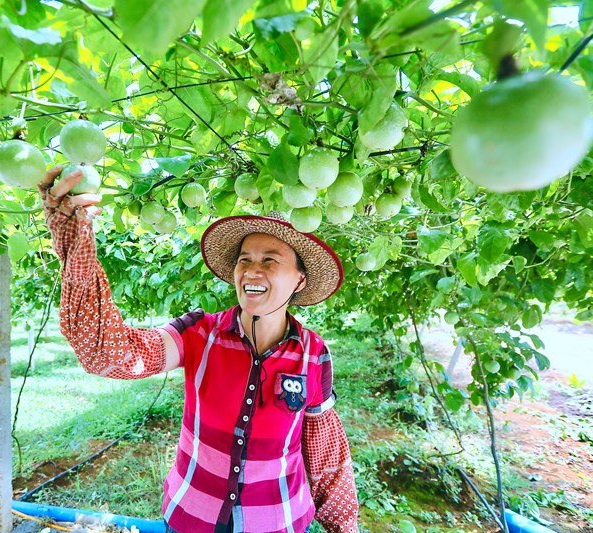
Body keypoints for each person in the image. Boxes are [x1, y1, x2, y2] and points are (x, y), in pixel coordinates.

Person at [39, 165, 359, 533]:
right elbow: (110, 354)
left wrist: (343, 525)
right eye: (245, 260)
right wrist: (74, 244)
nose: (253, 271)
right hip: (193, 518)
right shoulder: (199, 333)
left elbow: (324, 450)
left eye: (270, 260)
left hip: (279, 521)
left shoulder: (313, 353)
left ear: (300, 279)